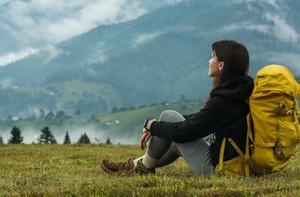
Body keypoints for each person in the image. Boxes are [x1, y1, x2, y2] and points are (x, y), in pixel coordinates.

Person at [101, 39, 254, 176]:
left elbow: (185, 132)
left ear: (221, 65)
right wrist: (158, 126)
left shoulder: (225, 99)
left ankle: (143, 169)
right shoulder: (239, 92)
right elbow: (202, 118)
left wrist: (152, 126)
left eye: (212, 56)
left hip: (220, 169)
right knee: (173, 138)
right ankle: (131, 166)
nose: (209, 61)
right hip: (238, 163)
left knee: (169, 116)